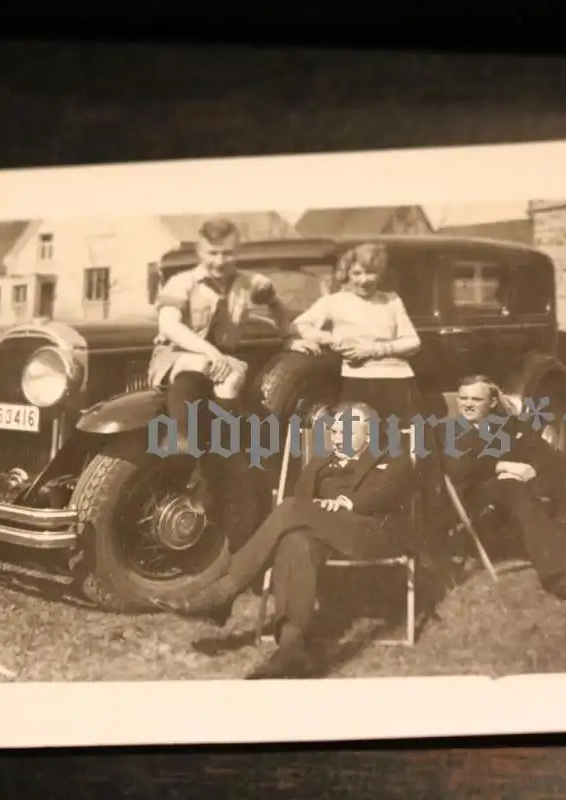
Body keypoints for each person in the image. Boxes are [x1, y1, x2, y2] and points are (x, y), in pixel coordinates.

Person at [153, 401, 417, 679]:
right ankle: (291, 650)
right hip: (324, 533)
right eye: (336, 430)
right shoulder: (320, 463)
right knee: (295, 540)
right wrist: (316, 508)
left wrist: (346, 502)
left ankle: (222, 592)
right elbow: (304, 503)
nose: (338, 436)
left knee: (291, 508)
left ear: (370, 433)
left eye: (347, 431)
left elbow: (389, 491)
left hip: (371, 532)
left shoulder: (390, 456)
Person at [148, 217, 294, 507]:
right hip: (178, 355)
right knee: (200, 366)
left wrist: (289, 335)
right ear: (200, 253)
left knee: (233, 377)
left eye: (227, 253)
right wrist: (208, 352)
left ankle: (223, 453)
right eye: (213, 253)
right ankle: (182, 442)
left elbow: (276, 304)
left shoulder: (248, 283)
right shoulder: (183, 283)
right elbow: (169, 326)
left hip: (223, 360)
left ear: (236, 252)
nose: (220, 260)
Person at [444, 374, 566, 604]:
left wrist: (532, 468)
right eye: (463, 398)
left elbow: (542, 453)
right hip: (477, 492)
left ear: (492, 402)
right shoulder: (449, 429)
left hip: (517, 483)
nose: (467, 404)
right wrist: (502, 466)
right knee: (512, 488)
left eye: (476, 399)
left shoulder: (509, 424)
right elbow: (456, 466)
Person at [290, 242, 424, 425]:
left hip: (398, 380)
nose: (364, 280)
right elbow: (298, 326)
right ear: (346, 274)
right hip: (357, 380)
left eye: (371, 272)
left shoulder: (392, 300)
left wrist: (371, 349)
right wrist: (332, 339)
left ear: (380, 273)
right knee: (357, 439)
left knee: (399, 440)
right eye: (357, 273)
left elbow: (413, 342)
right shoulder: (333, 302)